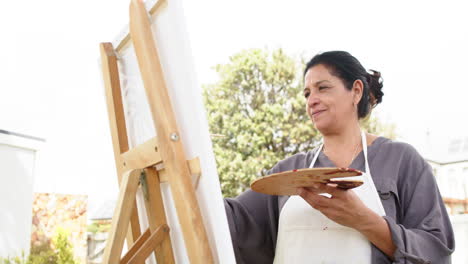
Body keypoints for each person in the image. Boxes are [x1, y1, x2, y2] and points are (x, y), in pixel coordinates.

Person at [224, 51, 455, 263]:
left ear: (356, 91)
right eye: (307, 93)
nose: (311, 100)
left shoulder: (401, 161)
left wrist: (364, 220)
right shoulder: (287, 171)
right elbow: (229, 222)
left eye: (322, 88)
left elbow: (435, 251)